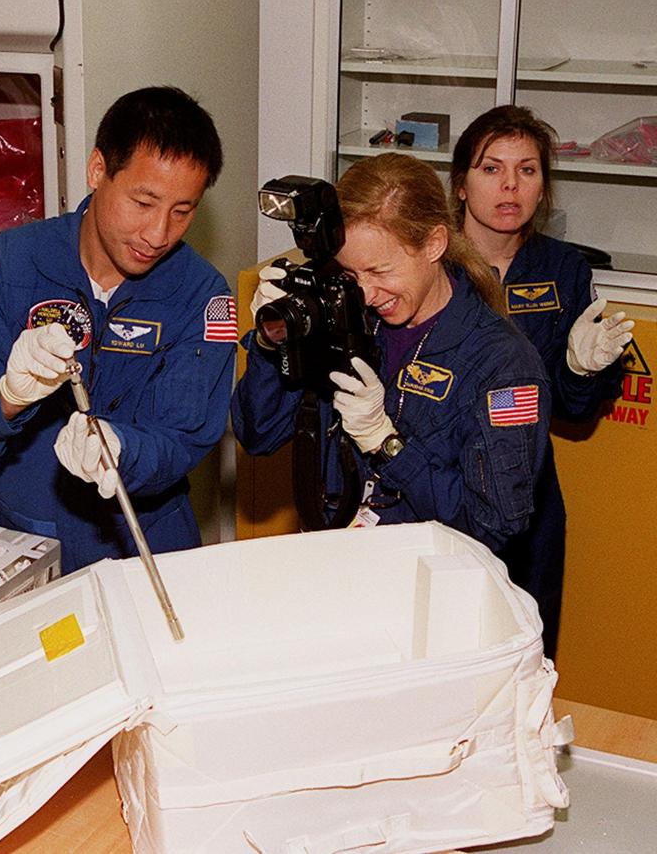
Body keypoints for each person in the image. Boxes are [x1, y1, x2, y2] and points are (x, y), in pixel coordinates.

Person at [0, 86, 235, 573]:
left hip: (146, 540)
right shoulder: (10, 263)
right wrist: (7, 396)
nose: (158, 234)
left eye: (182, 211)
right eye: (143, 203)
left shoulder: (201, 295)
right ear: (98, 170)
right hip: (21, 538)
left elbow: (185, 435)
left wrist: (124, 452)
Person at [232, 152, 551, 555]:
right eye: (350, 274)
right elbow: (258, 434)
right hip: (337, 558)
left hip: (426, 577)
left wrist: (385, 443)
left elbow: (491, 526)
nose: (365, 293)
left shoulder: (504, 364)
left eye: (380, 272)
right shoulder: (349, 317)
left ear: (434, 244)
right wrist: (272, 342)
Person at [450, 105, 632, 658]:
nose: (510, 185)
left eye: (527, 170)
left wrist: (579, 370)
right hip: (440, 478)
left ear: (543, 187)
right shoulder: (430, 261)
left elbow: (574, 410)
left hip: (528, 485)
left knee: (527, 648)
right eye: (491, 168)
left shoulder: (563, 269)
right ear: (460, 185)